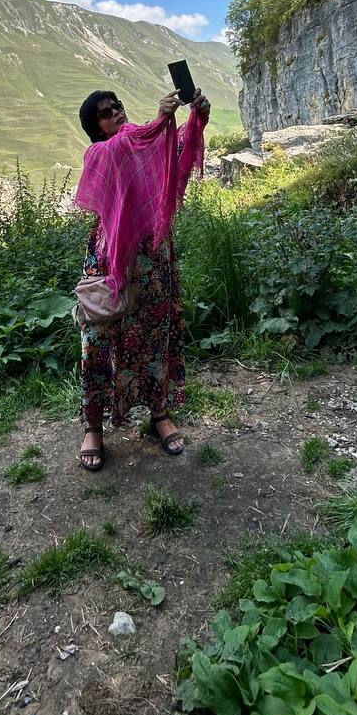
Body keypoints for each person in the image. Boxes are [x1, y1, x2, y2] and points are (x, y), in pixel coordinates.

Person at [73, 86, 209, 471]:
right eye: (104, 111)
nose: (115, 111)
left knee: (155, 333)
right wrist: (161, 120)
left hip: (153, 259)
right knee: (98, 340)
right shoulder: (101, 152)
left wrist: (196, 119)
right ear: (94, 127)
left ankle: (159, 415)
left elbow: (175, 152)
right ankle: (94, 426)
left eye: (117, 105)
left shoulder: (143, 141)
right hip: (111, 262)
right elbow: (135, 143)